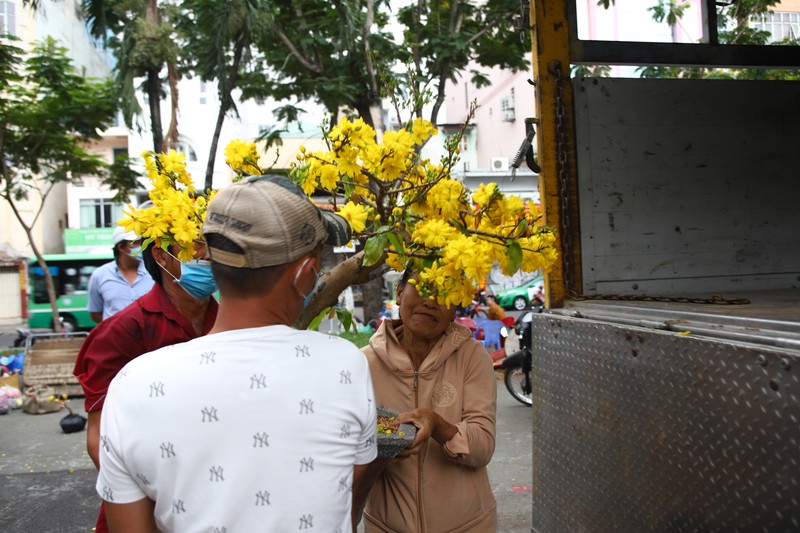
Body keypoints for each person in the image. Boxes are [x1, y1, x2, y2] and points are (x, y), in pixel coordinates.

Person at [95, 175, 377, 533]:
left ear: (211, 261)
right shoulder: (345, 365)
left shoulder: (133, 384)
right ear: (306, 274)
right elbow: (344, 493)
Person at [74, 233, 219, 533]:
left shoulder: (229, 322)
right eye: (194, 245)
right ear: (162, 256)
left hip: (220, 500)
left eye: (212, 245)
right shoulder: (124, 330)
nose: (207, 255)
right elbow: (98, 442)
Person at [361, 269, 498, 532]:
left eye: (445, 293)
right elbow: (345, 450)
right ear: (399, 293)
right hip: (386, 526)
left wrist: (438, 426)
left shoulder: (472, 357)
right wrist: (379, 452)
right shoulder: (362, 364)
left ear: (456, 307)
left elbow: (483, 445)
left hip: (468, 525)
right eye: (422, 288)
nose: (431, 301)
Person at [87, 226, 155, 323]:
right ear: (121, 248)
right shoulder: (99, 275)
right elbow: (95, 313)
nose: (141, 247)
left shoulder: (153, 271)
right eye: (135, 243)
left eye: (142, 242)